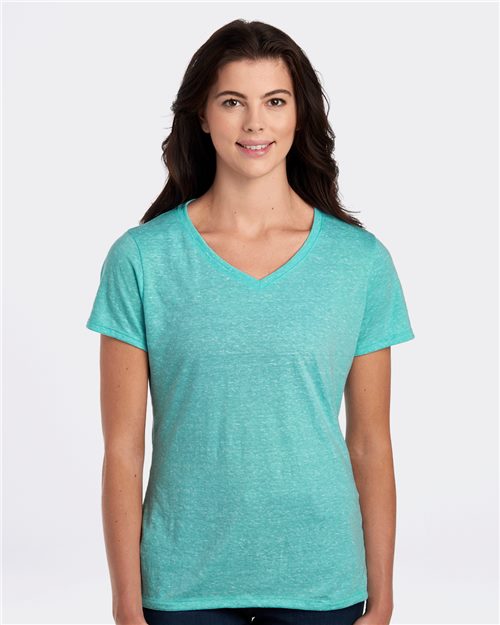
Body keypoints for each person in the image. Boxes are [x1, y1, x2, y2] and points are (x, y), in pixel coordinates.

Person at [86, 19, 415, 625]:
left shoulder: (359, 262)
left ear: (299, 115)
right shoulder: (142, 259)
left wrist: (385, 598)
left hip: (322, 577)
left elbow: (371, 443)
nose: (255, 123)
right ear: (203, 115)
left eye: (275, 101)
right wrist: (127, 606)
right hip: (181, 583)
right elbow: (123, 448)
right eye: (233, 101)